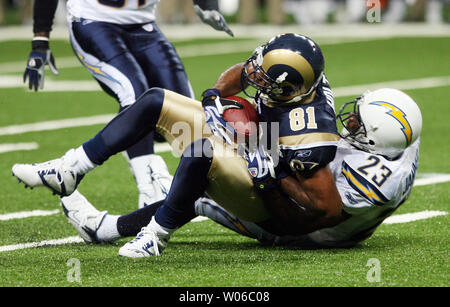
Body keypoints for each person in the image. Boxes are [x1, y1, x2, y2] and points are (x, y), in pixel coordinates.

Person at [13, 33, 344, 256]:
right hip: (259, 147)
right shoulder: (291, 75)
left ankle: (154, 237)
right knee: (155, 100)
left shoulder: (309, 130)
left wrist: (272, 178)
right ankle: (72, 169)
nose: (254, 77)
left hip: (269, 201)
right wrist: (215, 95)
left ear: (289, 91)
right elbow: (243, 74)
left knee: (202, 152)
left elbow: (326, 212)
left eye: (263, 79)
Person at [57, 88, 422, 252]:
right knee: (203, 176)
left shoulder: (372, 182)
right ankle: (111, 223)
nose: (350, 117)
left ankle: (109, 230)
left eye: (359, 121)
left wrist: (271, 172)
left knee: (202, 190)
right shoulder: (401, 139)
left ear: (374, 141)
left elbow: (312, 216)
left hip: (312, 231)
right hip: (332, 214)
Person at [22, 0, 233, 208]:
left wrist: (207, 6)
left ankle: (218, 190)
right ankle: (148, 190)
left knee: (183, 111)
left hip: (144, 26)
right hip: (93, 20)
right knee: (133, 95)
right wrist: (40, 40)